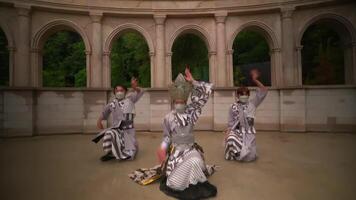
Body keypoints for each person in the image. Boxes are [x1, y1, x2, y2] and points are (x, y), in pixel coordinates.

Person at [129, 68, 217, 200]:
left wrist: (193, 81)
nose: (179, 104)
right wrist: (163, 148)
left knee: (195, 161)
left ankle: (192, 177)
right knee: (173, 183)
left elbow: (205, 93)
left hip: (190, 150)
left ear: (185, 102)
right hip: (176, 153)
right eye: (177, 102)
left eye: (182, 102)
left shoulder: (191, 112)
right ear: (173, 102)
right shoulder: (168, 117)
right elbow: (166, 136)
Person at [92, 78, 144, 161]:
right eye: (117, 90)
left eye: (121, 90)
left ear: (125, 92)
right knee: (109, 133)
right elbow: (104, 112)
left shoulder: (130, 99)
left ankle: (129, 150)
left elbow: (140, 92)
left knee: (130, 154)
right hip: (117, 129)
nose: (119, 92)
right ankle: (110, 153)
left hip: (128, 130)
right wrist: (99, 120)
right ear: (114, 92)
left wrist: (135, 88)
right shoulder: (111, 104)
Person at [224, 69, 268, 162]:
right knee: (231, 139)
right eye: (242, 95)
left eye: (246, 95)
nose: (244, 96)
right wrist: (227, 134)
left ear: (248, 95)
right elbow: (230, 124)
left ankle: (245, 151)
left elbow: (264, 91)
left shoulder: (252, 104)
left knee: (250, 157)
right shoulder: (233, 107)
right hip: (237, 132)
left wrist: (255, 80)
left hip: (249, 133)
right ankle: (234, 153)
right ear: (237, 95)